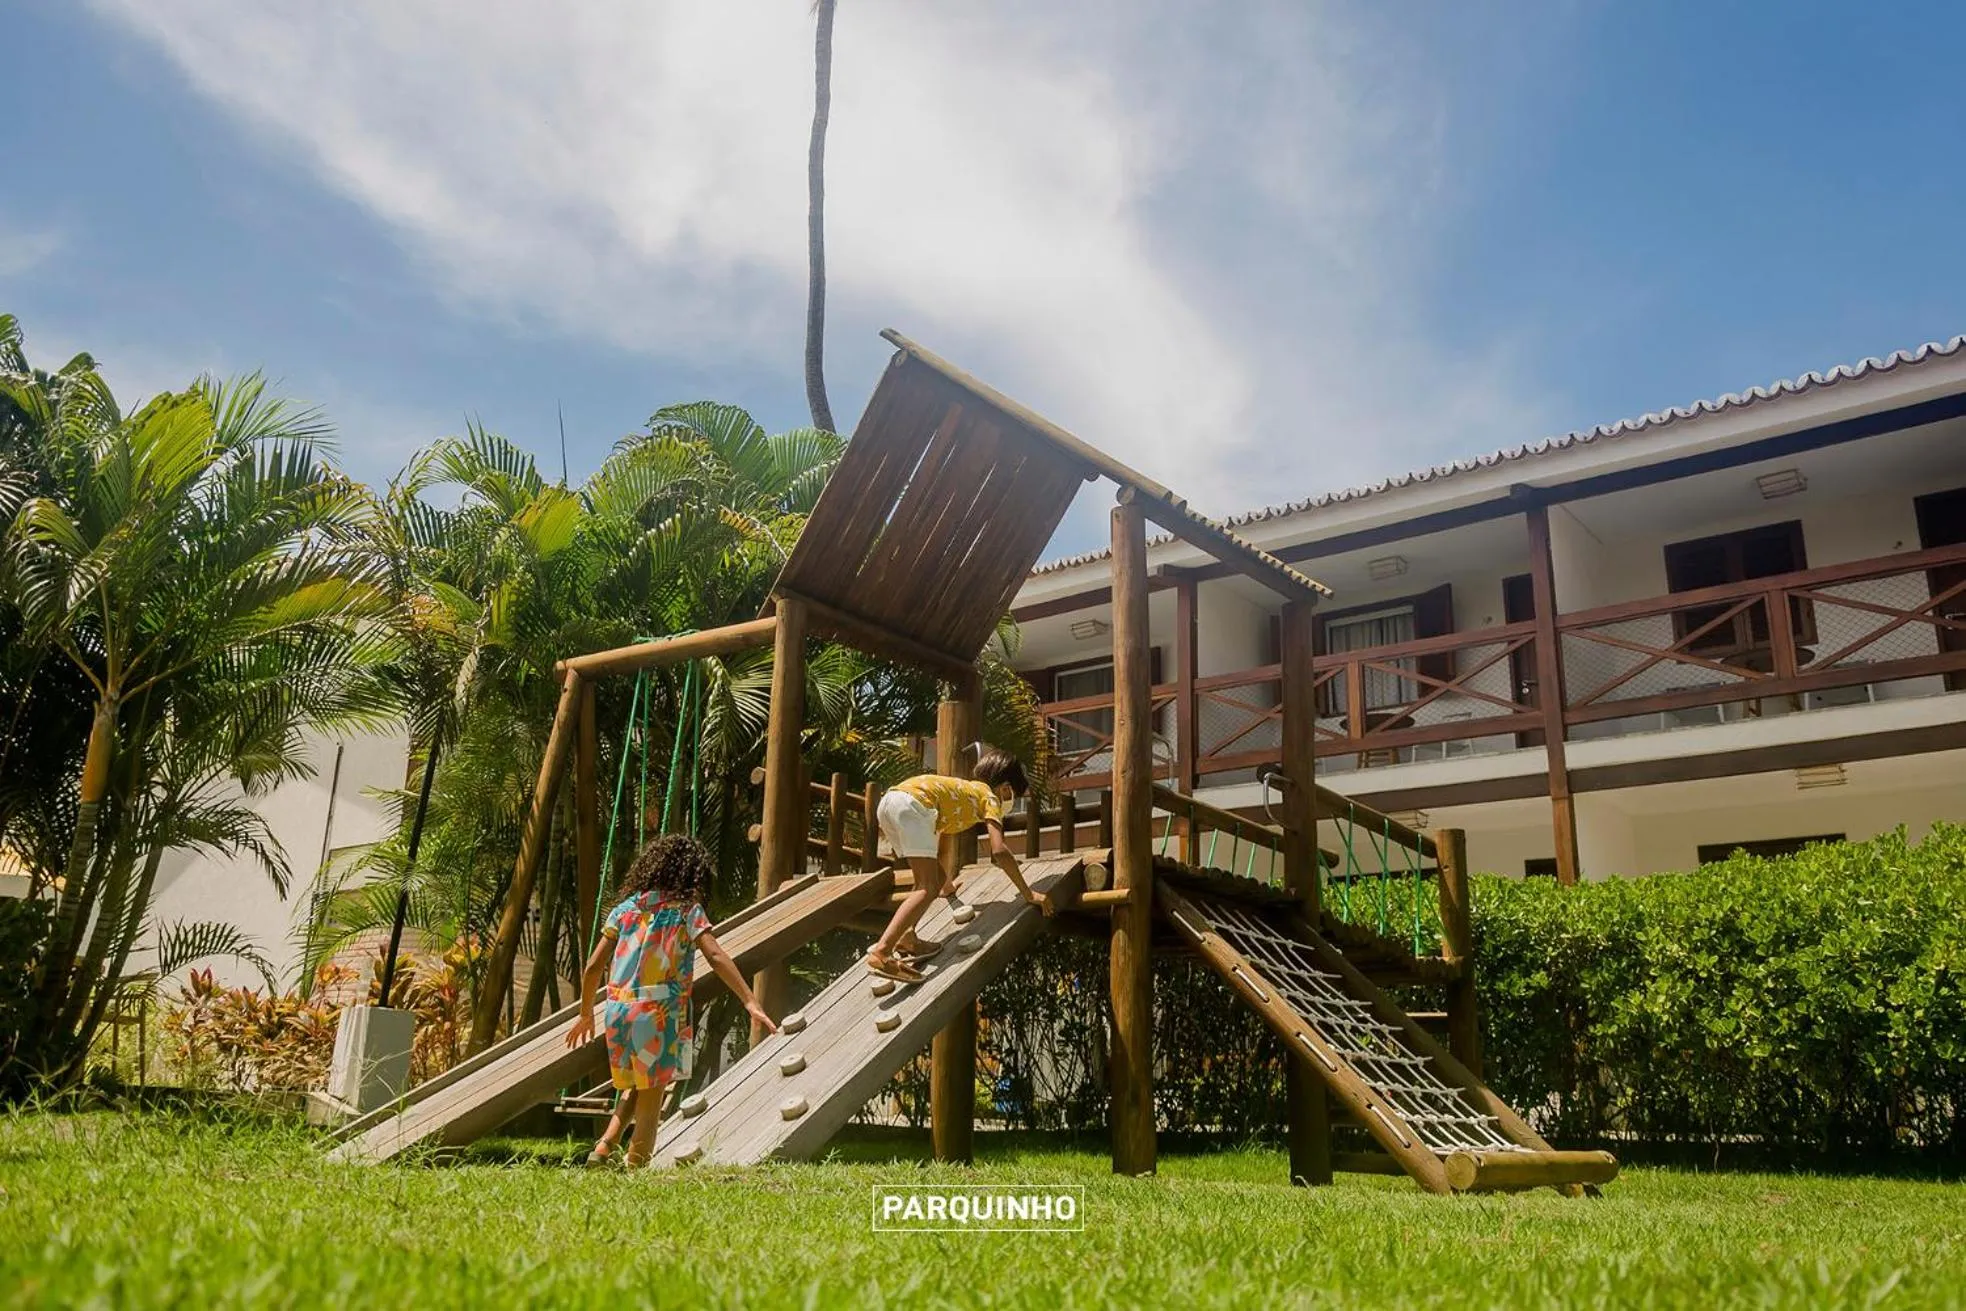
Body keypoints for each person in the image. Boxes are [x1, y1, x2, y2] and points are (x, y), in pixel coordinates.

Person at [566, 834, 778, 1167]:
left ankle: (605, 1145)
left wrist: (585, 1014)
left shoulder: (624, 910)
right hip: (658, 1013)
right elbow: (716, 956)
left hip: (618, 1011)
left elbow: (593, 967)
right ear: (691, 875)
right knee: (651, 1106)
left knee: (639, 1083)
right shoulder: (686, 911)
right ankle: (634, 1174)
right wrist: (750, 1000)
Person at [865, 745, 1054, 983]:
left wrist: (948, 889)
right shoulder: (990, 797)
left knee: (925, 881)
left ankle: (908, 937)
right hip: (913, 805)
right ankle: (883, 952)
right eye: (1011, 796)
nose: (1009, 802)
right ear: (1006, 788)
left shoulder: (963, 791)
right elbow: (999, 851)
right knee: (926, 888)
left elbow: (934, 848)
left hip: (890, 802)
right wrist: (1028, 894)